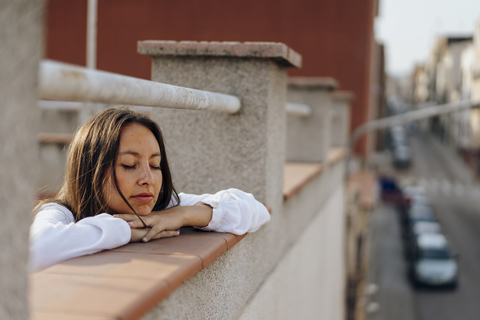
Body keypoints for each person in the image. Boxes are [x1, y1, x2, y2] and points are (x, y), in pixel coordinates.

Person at [30, 107, 270, 272]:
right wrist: (126, 229)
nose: (148, 179)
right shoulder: (61, 212)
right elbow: (37, 248)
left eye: (155, 165)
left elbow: (256, 210)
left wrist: (182, 215)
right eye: (129, 165)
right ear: (92, 169)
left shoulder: (163, 208)